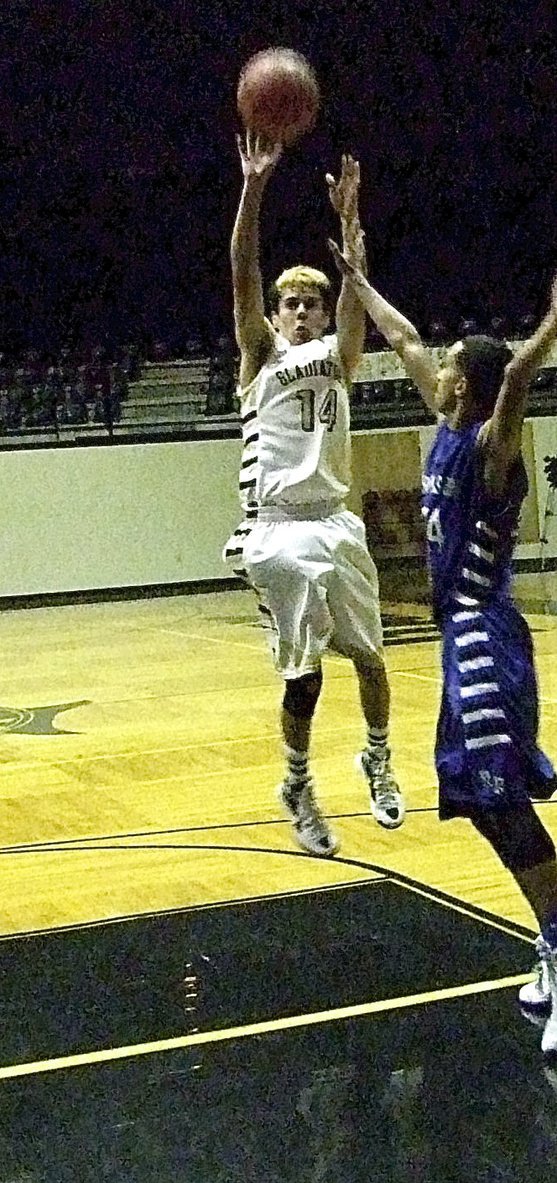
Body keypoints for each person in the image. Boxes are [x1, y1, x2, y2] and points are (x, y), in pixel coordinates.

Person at [329, 237, 557, 1056]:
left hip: (486, 639)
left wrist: (547, 327)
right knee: (480, 805)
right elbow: (400, 339)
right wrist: (355, 276)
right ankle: (553, 939)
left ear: (467, 383)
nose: (435, 360)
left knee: (500, 800)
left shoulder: (494, 448)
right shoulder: (446, 419)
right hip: (457, 641)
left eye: (449, 360)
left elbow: (521, 374)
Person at [223, 133, 405, 858]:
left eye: (310, 305)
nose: (299, 313)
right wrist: (254, 187)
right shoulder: (259, 357)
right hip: (277, 532)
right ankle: (297, 783)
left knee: (371, 661)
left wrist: (351, 227)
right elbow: (242, 270)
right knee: (305, 681)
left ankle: (378, 758)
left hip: (335, 522)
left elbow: (358, 297)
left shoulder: (338, 355)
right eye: (288, 305)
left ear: (324, 317)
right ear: (273, 317)